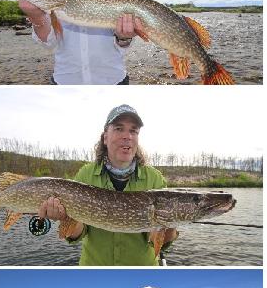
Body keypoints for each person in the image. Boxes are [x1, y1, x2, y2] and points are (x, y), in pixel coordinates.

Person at [38, 104, 176, 265]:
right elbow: (78, 234)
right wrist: (64, 217)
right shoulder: (86, 174)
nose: (127, 136)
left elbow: (159, 242)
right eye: (119, 128)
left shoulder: (155, 178)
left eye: (133, 131)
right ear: (105, 138)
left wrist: (170, 224)